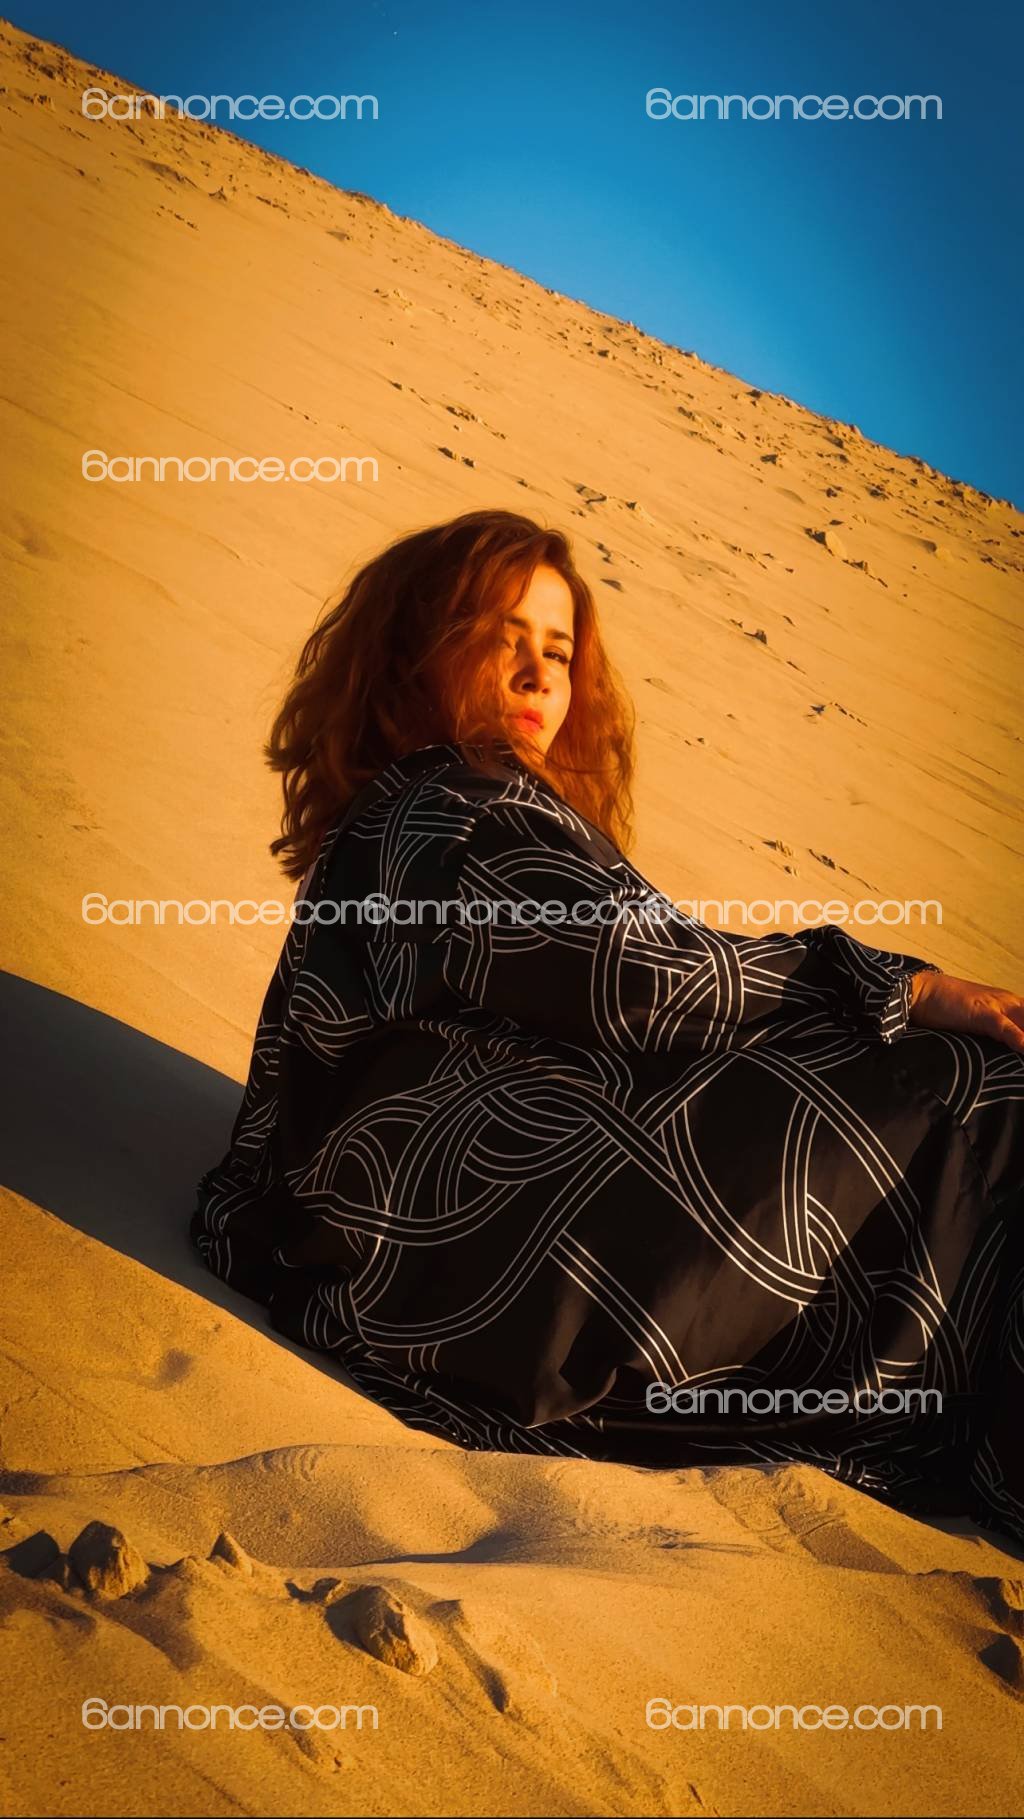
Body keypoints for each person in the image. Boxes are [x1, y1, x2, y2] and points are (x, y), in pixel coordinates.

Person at [190, 509, 1024, 1544]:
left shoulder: (416, 813)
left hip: (434, 1261)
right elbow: (629, 974)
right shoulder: (456, 802)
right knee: (980, 1091)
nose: (539, 676)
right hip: (498, 1276)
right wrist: (895, 987)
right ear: (413, 652)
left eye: (559, 650)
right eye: (503, 638)